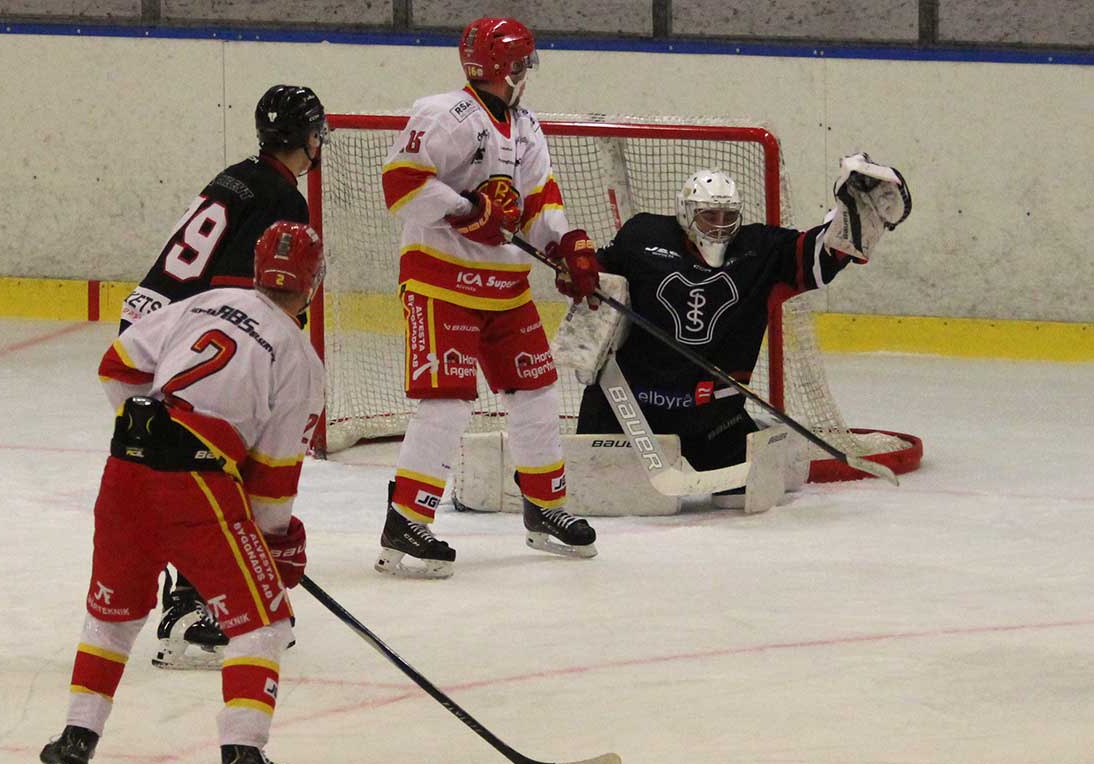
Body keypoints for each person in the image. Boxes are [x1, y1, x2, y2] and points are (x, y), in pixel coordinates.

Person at [39, 221, 327, 764]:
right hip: (196, 487)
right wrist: (274, 542)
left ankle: (73, 740)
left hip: (125, 470)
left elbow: (117, 366)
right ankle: (243, 756)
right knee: (264, 622)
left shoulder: (206, 301)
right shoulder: (300, 358)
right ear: (313, 284)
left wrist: (153, 434)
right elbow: (273, 478)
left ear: (256, 269)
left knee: (114, 614)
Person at [376, 16, 602, 579]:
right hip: (439, 282)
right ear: (510, 67)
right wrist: (465, 212)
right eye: (523, 64)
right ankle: (406, 519)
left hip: (505, 287)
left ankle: (545, 507)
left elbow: (539, 200)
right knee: (448, 401)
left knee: (537, 391)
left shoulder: (526, 126)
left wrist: (565, 245)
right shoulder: (443, 114)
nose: (527, 74)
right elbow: (401, 184)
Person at [120, 84, 327, 668]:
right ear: (306, 137)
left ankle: (190, 594)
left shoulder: (236, 176)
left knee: (184, 467)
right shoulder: (284, 200)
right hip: (189, 337)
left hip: (150, 325)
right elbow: (253, 301)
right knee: (215, 466)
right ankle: (196, 605)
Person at [577, 159, 911, 481]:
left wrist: (851, 219)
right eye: (709, 216)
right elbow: (596, 272)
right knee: (593, 484)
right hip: (626, 407)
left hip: (711, 418)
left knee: (749, 492)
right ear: (686, 212)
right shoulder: (642, 235)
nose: (720, 225)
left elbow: (817, 256)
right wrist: (580, 267)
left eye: (729, 216)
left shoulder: (758, 250)